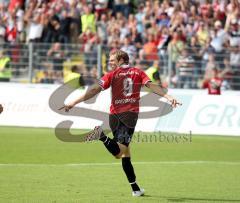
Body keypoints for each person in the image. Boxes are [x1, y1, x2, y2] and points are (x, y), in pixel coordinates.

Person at [60, 50, 181, 197]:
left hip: (114, 116)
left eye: (112, 60)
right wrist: (168, 96)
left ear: (122, 59)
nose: (110, 62)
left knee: (126, 154)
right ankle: (101, 135)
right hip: (129, 116)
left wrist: (73, 102)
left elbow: (94, 90)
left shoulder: (112, 75)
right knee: (119, 153)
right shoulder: (138, 73)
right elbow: (152, 86)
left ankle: (135, 188)